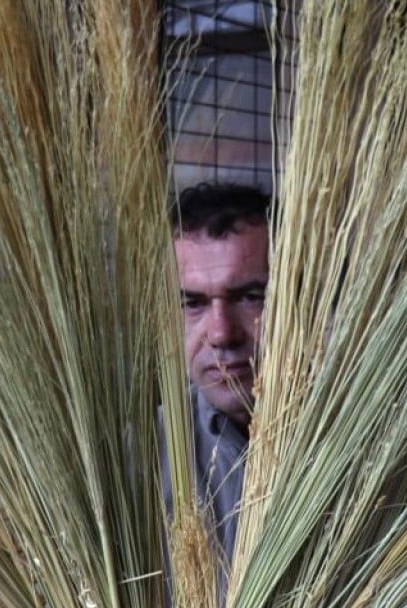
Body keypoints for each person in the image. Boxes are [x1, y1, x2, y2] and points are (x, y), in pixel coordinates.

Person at [163, 181, 271, 599]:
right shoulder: (137, 462)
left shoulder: (368, 447)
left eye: (250, 296)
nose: (221, 333)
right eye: (193, 303)